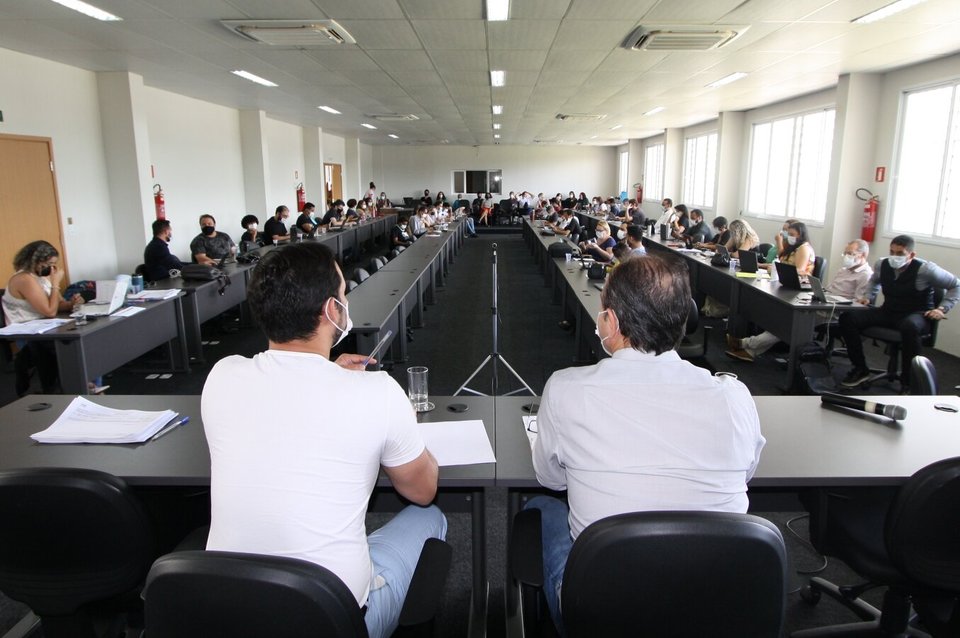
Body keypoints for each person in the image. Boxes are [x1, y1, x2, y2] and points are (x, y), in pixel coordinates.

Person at [202, 242, 445, 638]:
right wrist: (404, 424)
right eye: (344, 296)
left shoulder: (222, 376)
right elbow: (423, 489)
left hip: (231, 612)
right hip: (331, 618)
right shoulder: (377, 392)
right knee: (430, 516)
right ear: (333, 310)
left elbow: (289, 394)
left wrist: (329, 370)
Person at [526, 255, 764, 631]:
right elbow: (748, 472)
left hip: (604, 613)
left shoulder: (566, 389)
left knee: (539, 506)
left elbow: (549, 479)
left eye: (603, 311)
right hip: (716, 607)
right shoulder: (734, 396)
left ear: (614, 323)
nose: (600, 318)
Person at [839, 234, 959, 391]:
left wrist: (941, 308)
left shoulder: (926, 269)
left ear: (912, 254)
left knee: (909, 326)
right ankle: (860, 368)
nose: (894, 257)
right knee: (848, 318)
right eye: (892, 252)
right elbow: (874, 280)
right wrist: (868, 296)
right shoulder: (882, 264)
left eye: (900, 254)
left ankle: (909, 381)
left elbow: (955, 285)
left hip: (917, 314)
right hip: (889, 311)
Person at [726, 239, 874, 362]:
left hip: (836, 312)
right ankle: (749, 349)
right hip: (824, 303)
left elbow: (858, 303)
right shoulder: (844, 270)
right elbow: (831, 289)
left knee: (791, 322)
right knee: (784, 315)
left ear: (863, 255)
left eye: (851, 254)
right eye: (846, 253)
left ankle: (747, 345)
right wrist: (821, 294)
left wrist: (833, 302)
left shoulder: (866, 275)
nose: (846, 256)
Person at [2, 241, 85, 395]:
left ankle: (85, 384)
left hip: (46, 327)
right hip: (27, 333)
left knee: (80, 339)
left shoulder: (42, 277)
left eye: (54, 265)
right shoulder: (24, 279)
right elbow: (50, 311)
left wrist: (71, 303)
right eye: (49, 264)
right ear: (36, 261)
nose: (52, 269)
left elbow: (58, 305)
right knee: (68, 347)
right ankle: (78, 386)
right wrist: (55, 284)